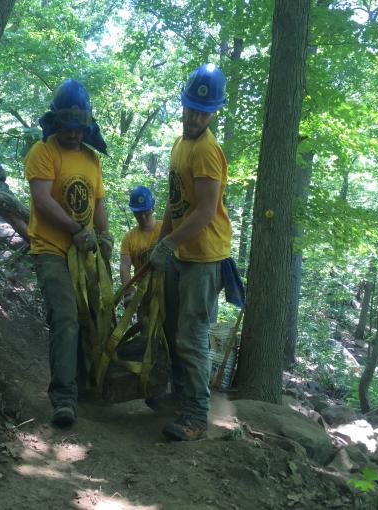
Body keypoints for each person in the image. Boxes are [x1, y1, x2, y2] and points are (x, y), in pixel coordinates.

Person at [148, 63, 232, 441]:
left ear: (213, 112)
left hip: (204, 256)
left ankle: (197, 415)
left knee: (192, 335)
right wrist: (160, 242)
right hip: (182, 253)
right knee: (171, 328)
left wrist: (170, 243)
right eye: (191, 109)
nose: (196, 117)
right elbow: (176, 203)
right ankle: (181, 399)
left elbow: (204, 210)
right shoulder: (180, 145)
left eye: (204, 111)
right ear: (182, 105)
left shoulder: (207, 152)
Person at [25, 78, 113, 427]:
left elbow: (98, 202)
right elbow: (42, 202)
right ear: (57, 121)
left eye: (79, 128)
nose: (74, 134)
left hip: (86, 252)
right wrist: (76, 230)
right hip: (51, 249)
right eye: (68, 127)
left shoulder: (92, 160)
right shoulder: (42, 152)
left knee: (89, 317)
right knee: (64, 317)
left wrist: (104, 235)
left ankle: (87, 384)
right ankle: (63, 397)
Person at [119, 185, 162, 307]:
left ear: (152, 209)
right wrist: (129, 291)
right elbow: (124, 267)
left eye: (146, 213)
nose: (142, 218)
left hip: (166, 288)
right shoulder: (129, 238)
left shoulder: (164, 229)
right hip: (143, 294)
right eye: (138, 214)